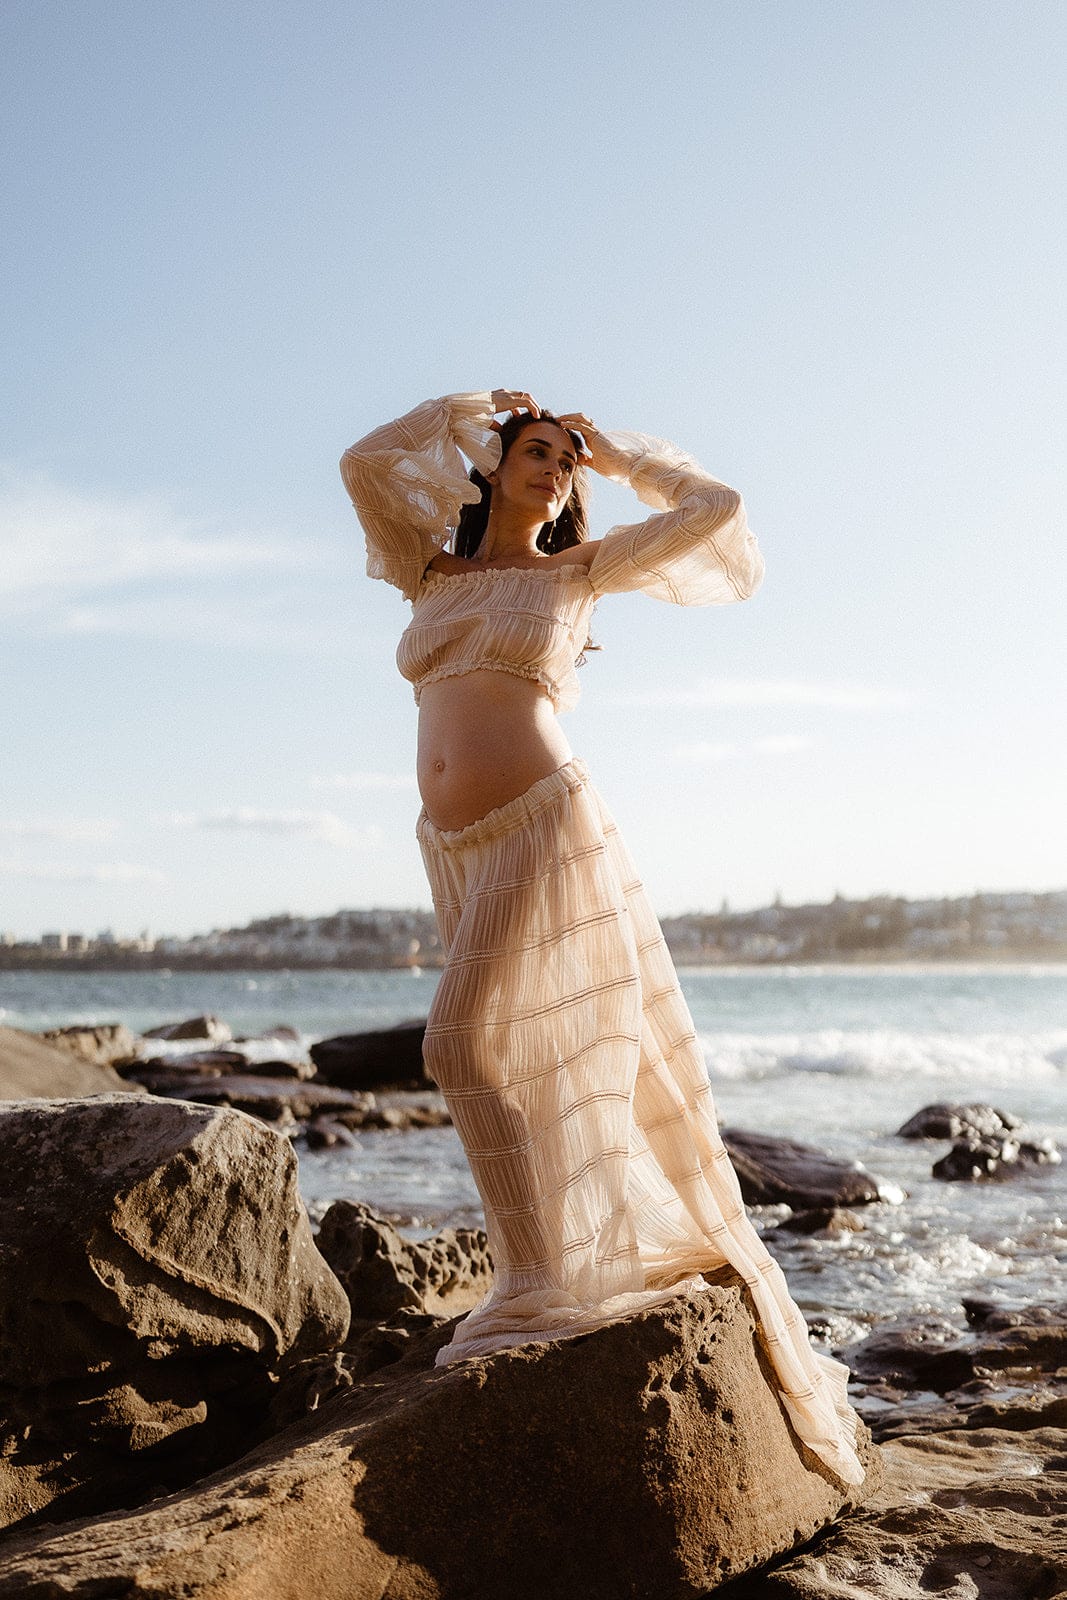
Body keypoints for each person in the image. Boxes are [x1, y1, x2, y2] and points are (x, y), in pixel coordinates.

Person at [340, 388, 863, 1485]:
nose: (553, 470)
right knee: (500, 1051)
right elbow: (362, 463)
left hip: (541, 817)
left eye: (563, 462)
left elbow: (715, 509)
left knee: (458, 1042)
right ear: (491, 464)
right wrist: (466, 408)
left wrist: (621, 457)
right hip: (457, 839)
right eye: (536, 452)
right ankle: (538, 1266)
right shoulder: (430, 572)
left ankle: (532, 1280)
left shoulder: (576, 572)